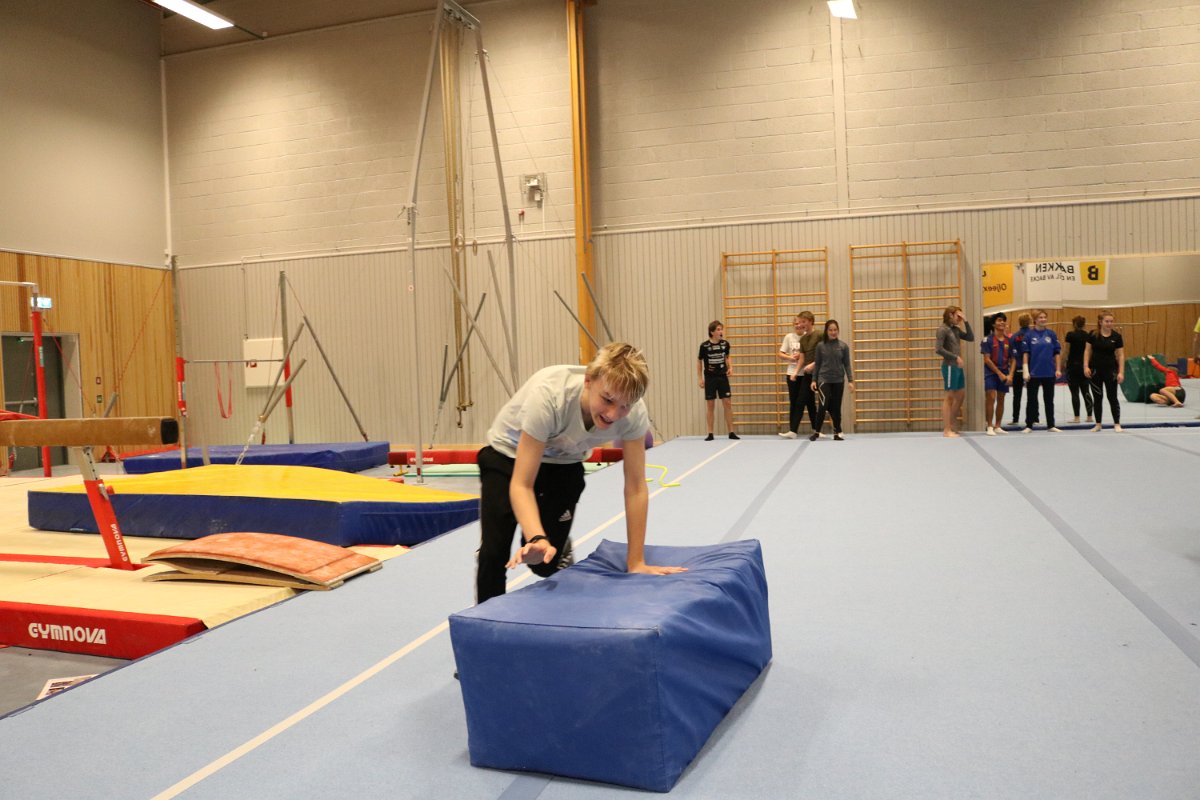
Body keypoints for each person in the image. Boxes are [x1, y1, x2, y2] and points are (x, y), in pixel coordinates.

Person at [475, 342, 687, 604]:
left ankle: (558, 547)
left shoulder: (634, 414)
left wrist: (636, 562)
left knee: (545, 564)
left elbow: (635, 487)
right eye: (607, 399)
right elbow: (522, 485)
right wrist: (537, 536)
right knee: (494, 552)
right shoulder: (550, 396)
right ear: (588, 381)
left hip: (565, 463)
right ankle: (483, 620)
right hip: (508, 455)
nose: (613, 414)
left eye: (625, 406)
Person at [809, 319, 854, 441]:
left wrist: (850, 381)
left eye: (835, 330)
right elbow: (817, 364)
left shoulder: (843, 346)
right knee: (823, 405)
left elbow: (847, 365)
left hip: (838, 380)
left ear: (838, 331)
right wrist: (814, 380)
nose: (833, 332)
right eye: (830, 330)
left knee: (836, 407)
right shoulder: (820, 346)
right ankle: (817, 432)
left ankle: (837, 432)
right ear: (826, 331)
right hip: (824, 379)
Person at [777, 311, 820, 438]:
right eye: (796, 323)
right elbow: (780, 353)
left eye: (801, 323)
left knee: (810, 402)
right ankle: (793, 429)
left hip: (806, 373)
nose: (799, 325)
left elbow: (810, 355)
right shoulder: (790, 337)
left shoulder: (810, 336)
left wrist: (804, 360)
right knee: (795, 402)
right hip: (793, 372)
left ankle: (816, 429)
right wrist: (791, 358)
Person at [935, 305, 975, 437]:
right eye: (958, 316)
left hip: (957, 367)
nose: (960, 319)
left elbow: (970, 337)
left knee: (961, 395)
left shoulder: (955, 329)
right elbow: (938, 349)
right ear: (950, 315)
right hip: (949, 366)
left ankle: (952, 424)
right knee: (949, 397)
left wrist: (966, 321)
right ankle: (947, 430)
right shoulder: (942, 329)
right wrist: (955, 357)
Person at [1083, 309, 1125, 432]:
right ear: (1100, 322)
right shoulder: (1093, 335)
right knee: (1097, 397)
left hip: (1111, 371)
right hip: (1095, 371)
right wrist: (1086, 366)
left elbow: (1121, 355)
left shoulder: (1116, 337)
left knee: (1112, 397)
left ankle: (1117, 423)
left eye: (1111, 321)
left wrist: (1121, 372)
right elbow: (1087, 351)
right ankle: (1098, 424)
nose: (1109, 324)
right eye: (1107, 321)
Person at [697, 320, 739, 441]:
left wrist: (730, 367)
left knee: (727, 403)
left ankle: (731, 432)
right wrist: (700, 378)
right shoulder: (704, 346)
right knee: (710, 405)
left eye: (722, 329)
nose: (721, 332)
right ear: (712, 332)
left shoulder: (725, 344)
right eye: (718, 329)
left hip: (722, 377)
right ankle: (710, 433)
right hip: (710, 378)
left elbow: (727, 357)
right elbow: (699, 361)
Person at [1021, 309, 1062, 432]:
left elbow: (1057, 353)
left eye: (1045, 317)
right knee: (1031, 400)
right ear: (1035, 320)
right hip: (1034, 373)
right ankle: (1029, 425)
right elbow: (1025, 354)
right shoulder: (1029, 335)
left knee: (1049, 400)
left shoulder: (1051, 334)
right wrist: (1025, 370)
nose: (1043, 319)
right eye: (1040, 317)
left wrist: (1058, 369)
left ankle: (1051, 425)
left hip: (1049, 372)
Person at [980, 312, 1015, 435]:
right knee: (991, 397)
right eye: (999, 320)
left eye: (1004, 320)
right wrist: (999, 373)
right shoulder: (987, 340)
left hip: (1005, 372)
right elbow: (986, 359)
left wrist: (1011, 375)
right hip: (991, 372)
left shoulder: (1009, 341)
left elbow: (1013, 359)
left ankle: (998, 425)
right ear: (993, 324)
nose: (1002, 322)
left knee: (1001, 398)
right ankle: (989, 425)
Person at [1063, 315, 1094, 424]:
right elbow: (1090, 352)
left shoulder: (1070, 335)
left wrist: (1062, 364)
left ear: (1074, 324)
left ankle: (1077, 417)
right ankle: (1090, 416)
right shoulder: (1088, 336)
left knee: (1075, 392)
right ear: (1084, 324)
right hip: (1084, 366)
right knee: (1086, 391)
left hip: (1073, 366)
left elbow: (1066, 351)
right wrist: (1089, 365)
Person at [1009, 313, 1034, 426]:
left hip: (1018, 367)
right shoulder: (1033, 335)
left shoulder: (1014, 337)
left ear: (1019, 322)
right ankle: (1034, 418)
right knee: (1032, 394)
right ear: (1030, 322)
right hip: (1031, 367)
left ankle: (1015, 418)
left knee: (1017, 395)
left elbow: (1012, 355)